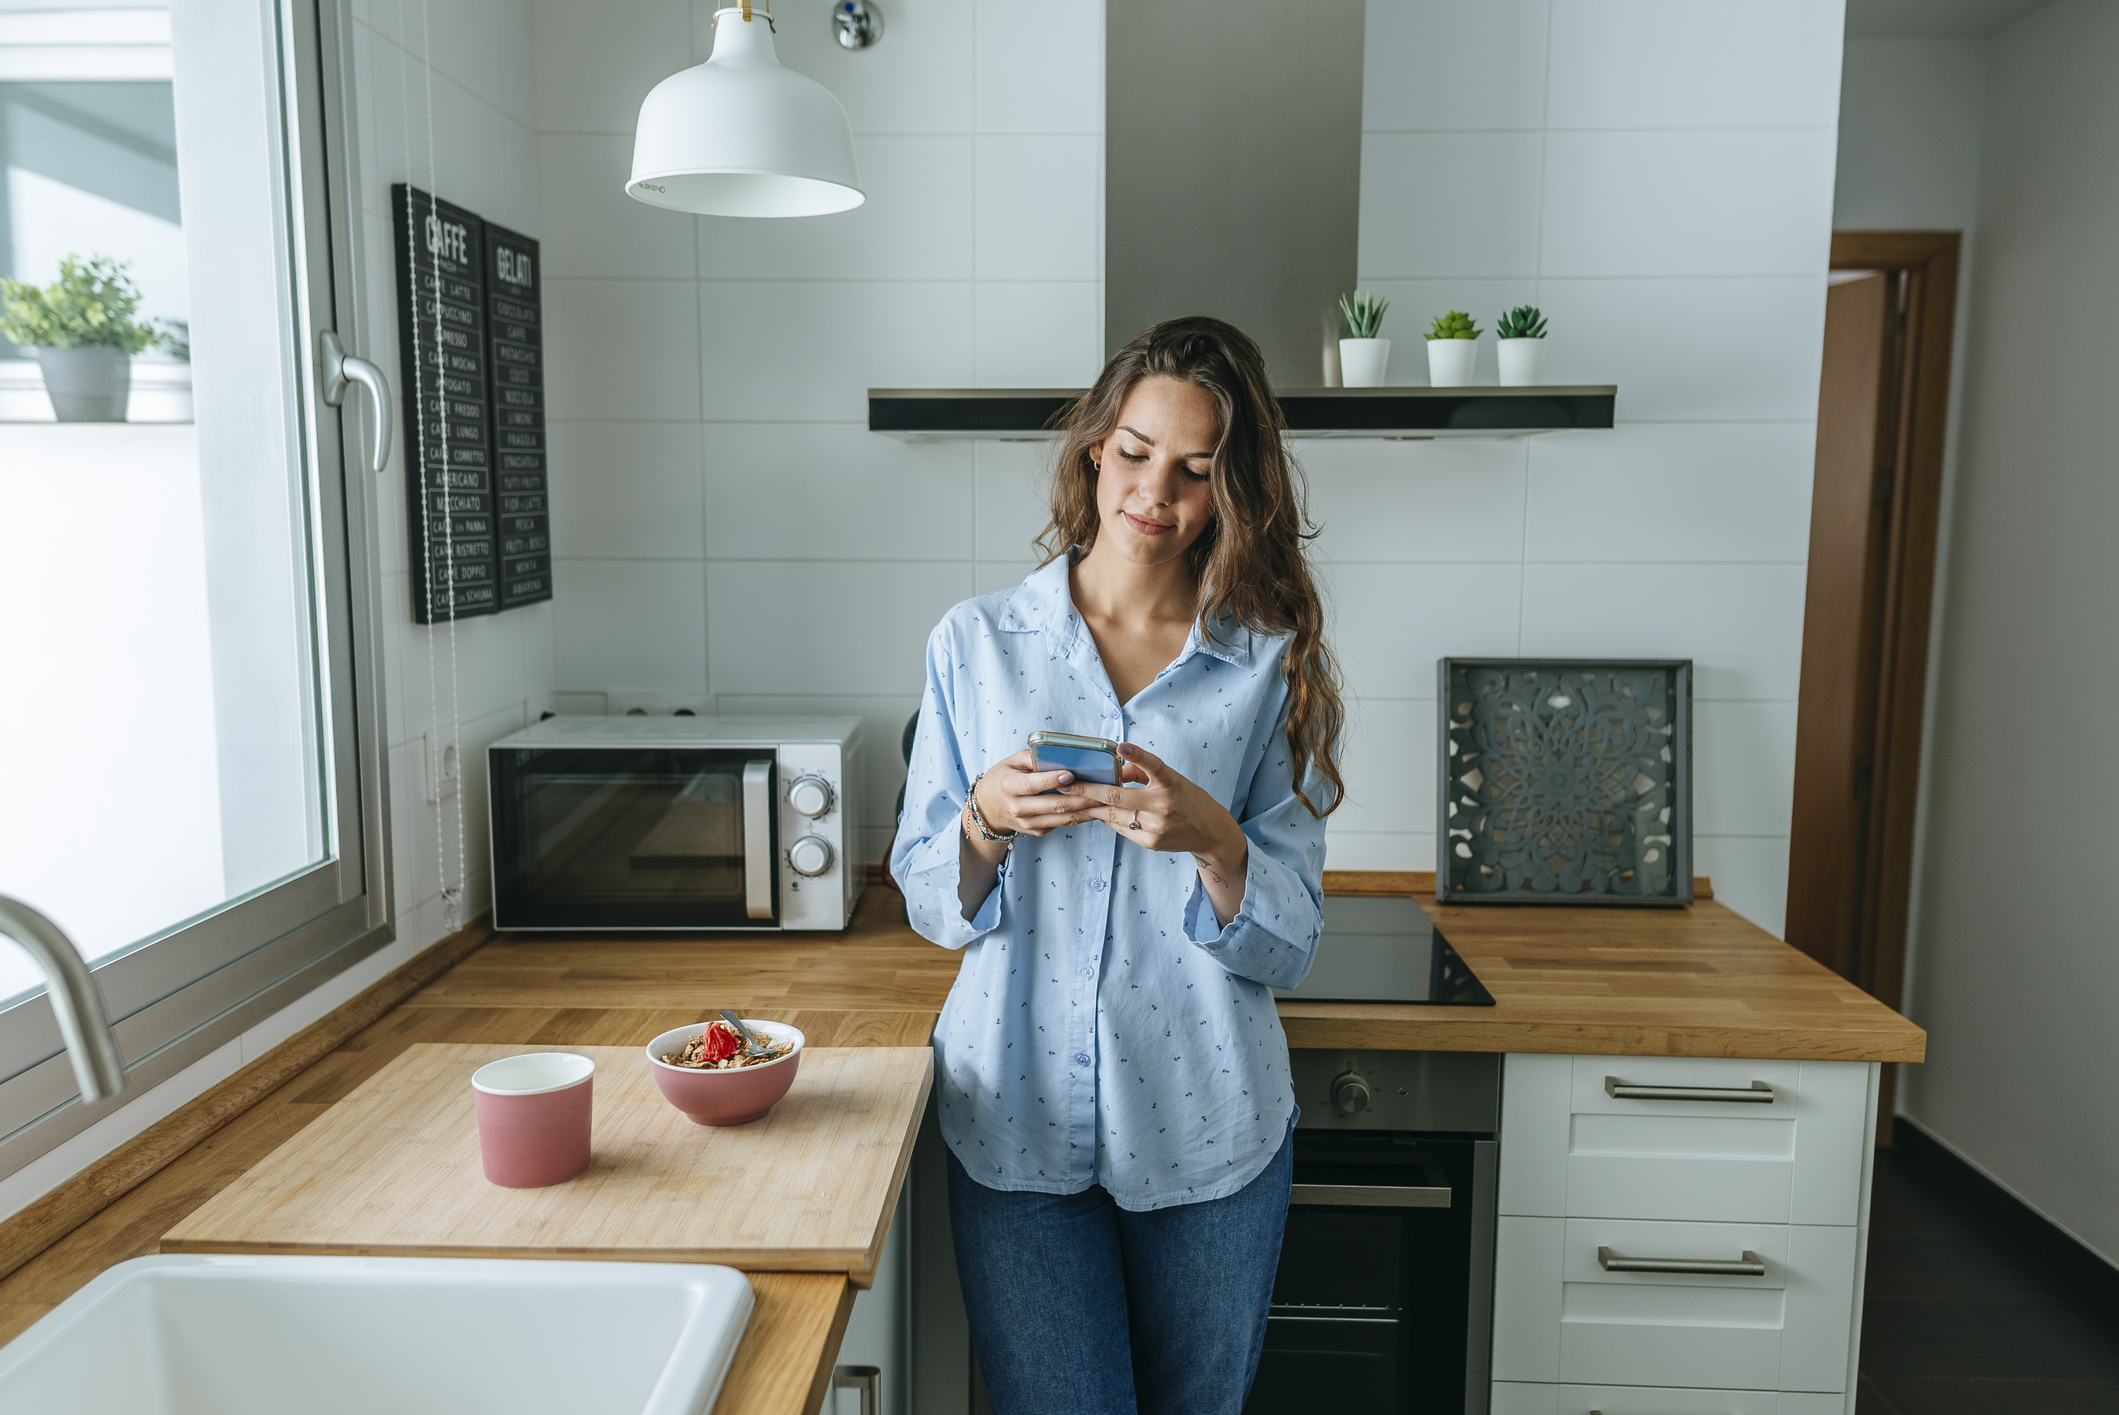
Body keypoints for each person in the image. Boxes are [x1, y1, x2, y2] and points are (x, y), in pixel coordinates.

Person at [891, 315, 1346, 1414]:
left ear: (1231, 489)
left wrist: (1216, 839)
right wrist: (985, 821)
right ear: (1095, 446)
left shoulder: (1266, 666)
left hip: (1209, 1125)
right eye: (1136, 452)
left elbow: (1290, 941)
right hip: (1014, 1115)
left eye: (1195, 470)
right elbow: (923, 892)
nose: (1155, 493)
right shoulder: (976, 642)